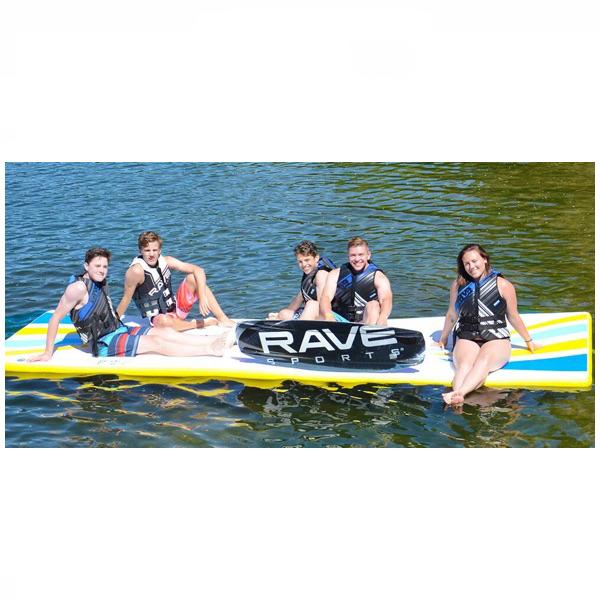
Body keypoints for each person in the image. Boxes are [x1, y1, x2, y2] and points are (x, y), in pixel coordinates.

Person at [28, 248, 230, 363]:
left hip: (118, 330)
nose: (102, 270)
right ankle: (210, 349)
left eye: (105, 266)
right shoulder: (78, 288)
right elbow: (55, 317)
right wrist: (48, 352)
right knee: (156, 345)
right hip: (104, 344)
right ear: (86, 266)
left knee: (162, 333)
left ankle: (215, 339)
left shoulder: (99, 281)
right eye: (97, 266)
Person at [437, 243, 539, 405]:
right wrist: (443, 338)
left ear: (484, 259)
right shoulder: (458, 285)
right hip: (467, 336)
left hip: (496, 338)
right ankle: (458, 396)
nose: (471, 266)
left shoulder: (504, 285)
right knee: (464, 365)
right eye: (467, 264)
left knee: (483, 361)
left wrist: (528, 340)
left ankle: (459, 393)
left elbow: (513, 316)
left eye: (475, 261)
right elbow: (452, 314)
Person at [116, 231, 235, 331]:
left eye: (154, 250)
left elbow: (198, 270)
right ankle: (200, 323)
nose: (151, 254)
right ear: (140, 251)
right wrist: (113, 324)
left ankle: (222, 318)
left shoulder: (166, 261)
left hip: (177, 309)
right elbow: (125, 299)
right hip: (157, 319)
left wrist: (202, 297)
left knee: (193, 278)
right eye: (147, 250)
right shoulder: (136, 271)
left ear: (159, 251)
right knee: (163, 321)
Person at [320, 236, 393, 325]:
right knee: (314, 305)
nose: (357, 259)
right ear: (348, 256)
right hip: (340, 321)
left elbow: (386, 300)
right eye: (353, 255)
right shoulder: (335, 274)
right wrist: (328, 316)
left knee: (374, 305)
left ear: (368, 255)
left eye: (361, 255)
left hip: (366, 321)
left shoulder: (379, 277)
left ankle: (372, 333)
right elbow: (325, 298)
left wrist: (382, 318)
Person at [267, 240, 336, 321]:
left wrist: (329, 320)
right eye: (300, 261)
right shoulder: (309, 275)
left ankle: (300, 330)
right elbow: (298, 300)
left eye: (307, 260)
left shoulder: (321, 274)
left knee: (312, 304)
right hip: (316, 315)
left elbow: (323, 305)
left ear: (316, 258)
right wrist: (278, 317)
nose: (303, 265)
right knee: (284, 313)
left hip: (332, 317)